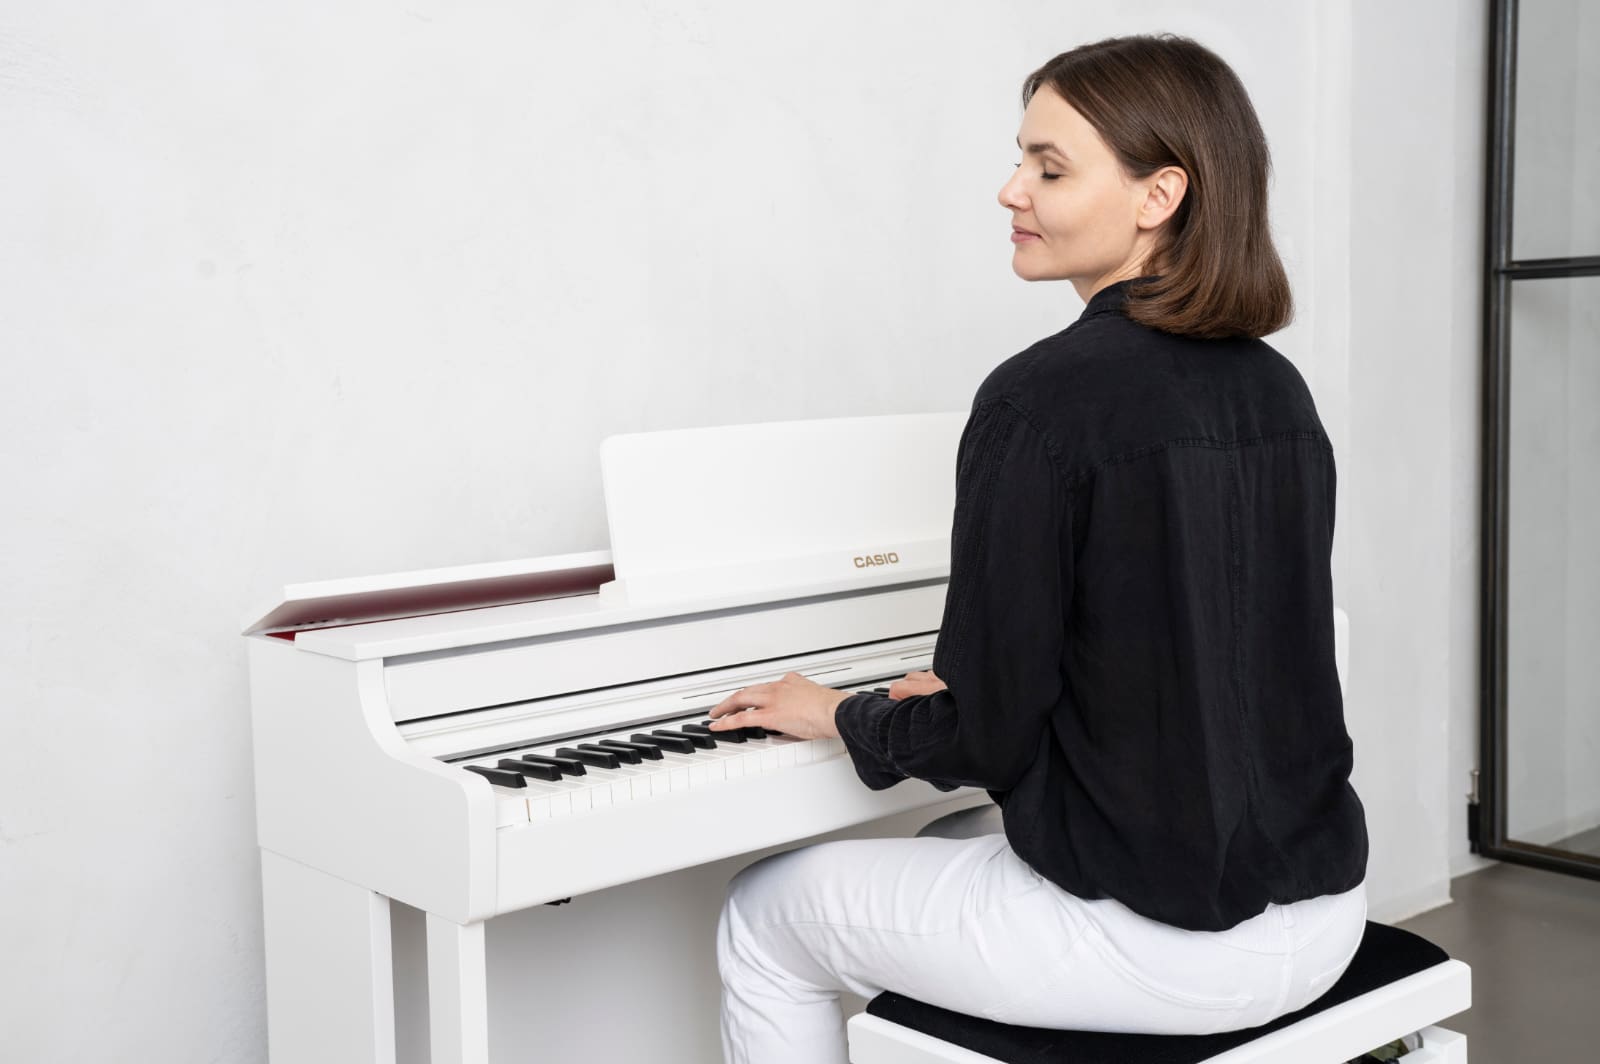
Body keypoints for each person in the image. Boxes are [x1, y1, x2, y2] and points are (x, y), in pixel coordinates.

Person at [705, 33, 1369, 1064]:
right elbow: (1203, 647)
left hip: (1165, 943)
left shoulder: (1039, 398)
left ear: (1159, 195)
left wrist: (843, 710)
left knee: (762, 912)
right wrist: (1001, 690)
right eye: (1022, 159)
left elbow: (985, 738)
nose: (1011, 189)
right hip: (1322, 908)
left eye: (1049, 168)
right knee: (952, 847)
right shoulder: (1275, 387)